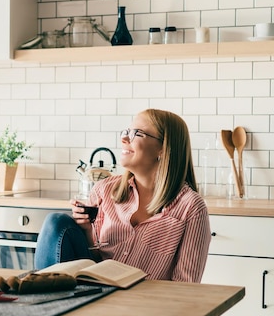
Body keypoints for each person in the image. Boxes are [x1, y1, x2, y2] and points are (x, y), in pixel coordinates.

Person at [34, 108, 211, 283]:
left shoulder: (191, 207)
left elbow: (185, 285)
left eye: (137, 133)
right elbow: (94, 258)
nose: (124, 138)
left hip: (142, 302)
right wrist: (88, 230)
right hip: (94, 290)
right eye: (126, 131)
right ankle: (42, 301)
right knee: (56, 222)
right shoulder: (104, 189)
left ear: (163, 149)